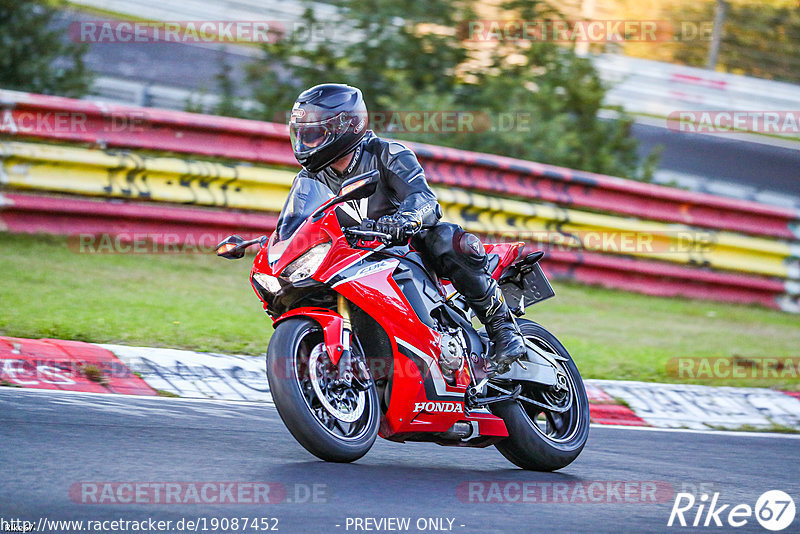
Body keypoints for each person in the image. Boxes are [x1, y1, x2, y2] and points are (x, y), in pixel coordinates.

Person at [288, 83, 525, 373]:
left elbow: (424, 199)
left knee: (448, 239)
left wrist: (405, 219)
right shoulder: (309, 179)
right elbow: (297, 224)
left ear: (344, 126)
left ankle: (503, 329)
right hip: (353, 262)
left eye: (314, 133)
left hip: (406, 252)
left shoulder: (388, 153)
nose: (306, 142)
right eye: (302, 134)